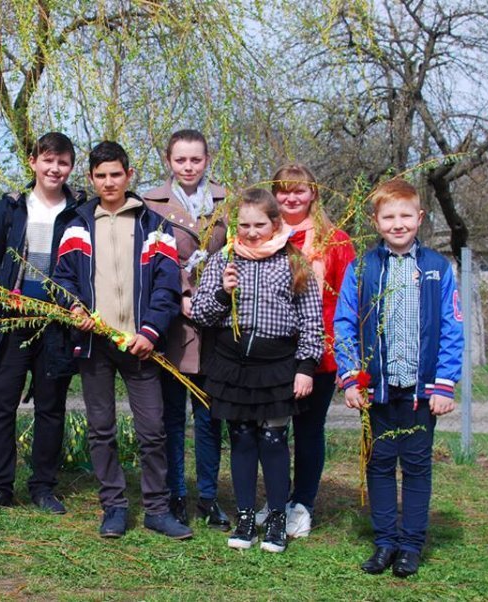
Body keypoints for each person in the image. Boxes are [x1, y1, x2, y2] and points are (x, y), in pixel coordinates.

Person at [52, 141, 191, 540]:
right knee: (101, 429)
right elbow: (62, 279)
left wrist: (150, 332)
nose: (109, 182)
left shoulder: (155, 225)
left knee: (153, 430)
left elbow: (166, 286)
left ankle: (157, 509)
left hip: (140, 345)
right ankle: (113, 506)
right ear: (91, 178)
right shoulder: (76, 224)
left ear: (129, 175)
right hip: (94, 344)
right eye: (101, 176)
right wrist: (73, 307)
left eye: (116, 174)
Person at [334, 178, 463, 577]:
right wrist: (351, 378)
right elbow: (344, 325)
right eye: (388, 217)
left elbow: (452, 328)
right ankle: (386, 541)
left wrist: (445, 383)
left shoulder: (437, 268)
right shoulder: (362, 269)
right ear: (376, 221)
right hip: (378, 390)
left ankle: (410, 545)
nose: (398, 224)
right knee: (380, 463)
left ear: (420, 218)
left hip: (421, 392)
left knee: (417, 466)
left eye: (406, 215)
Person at [191, 188, 323, 554]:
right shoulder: (223, 260)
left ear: (275, 223)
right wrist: (223, 292)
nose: (251, 232)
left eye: (259, 225)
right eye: (245, 225)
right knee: (243, 438)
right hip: (234, 366)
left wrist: (306, 366)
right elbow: (200, 313)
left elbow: (311, 320)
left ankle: (277, 517)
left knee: (273, 439)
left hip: (277, 365)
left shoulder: (293, 261)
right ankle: (246, 517)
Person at [0, 132, 84, 514]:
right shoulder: (8, 210)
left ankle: (43, 487)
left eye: (63, 162)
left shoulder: (79, 212)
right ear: (33, 161)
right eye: (48, 160)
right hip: (10, 323)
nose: (55, 169)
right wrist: (4, 296)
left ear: (70, 167)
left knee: (50, 407)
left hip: (56, 324)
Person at [260, 163, 356, 537]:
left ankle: (302, 503)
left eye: (299, 190)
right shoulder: (262, 236)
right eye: (283, 190)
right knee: (272, 429)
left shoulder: (336, 241)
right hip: (273, 352)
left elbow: (348, 302)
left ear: (313, 193)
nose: (291, 197)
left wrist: (347, 356)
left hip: (320, 354)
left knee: (309, 430)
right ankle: (276, 498)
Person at [142, 129, 229, 529]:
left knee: (210, 416)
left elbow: (236, 252)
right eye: (181, 160)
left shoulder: (226, 202)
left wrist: (212, 296)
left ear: (207, 159)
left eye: (196, 159)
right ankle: (176, 493)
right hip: (174, 323)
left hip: (217, 321)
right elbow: (149, 258)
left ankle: (208, 497)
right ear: (168, 161)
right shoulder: (151, 203)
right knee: (172, 416)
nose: (189, 167)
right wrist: (179, 294)